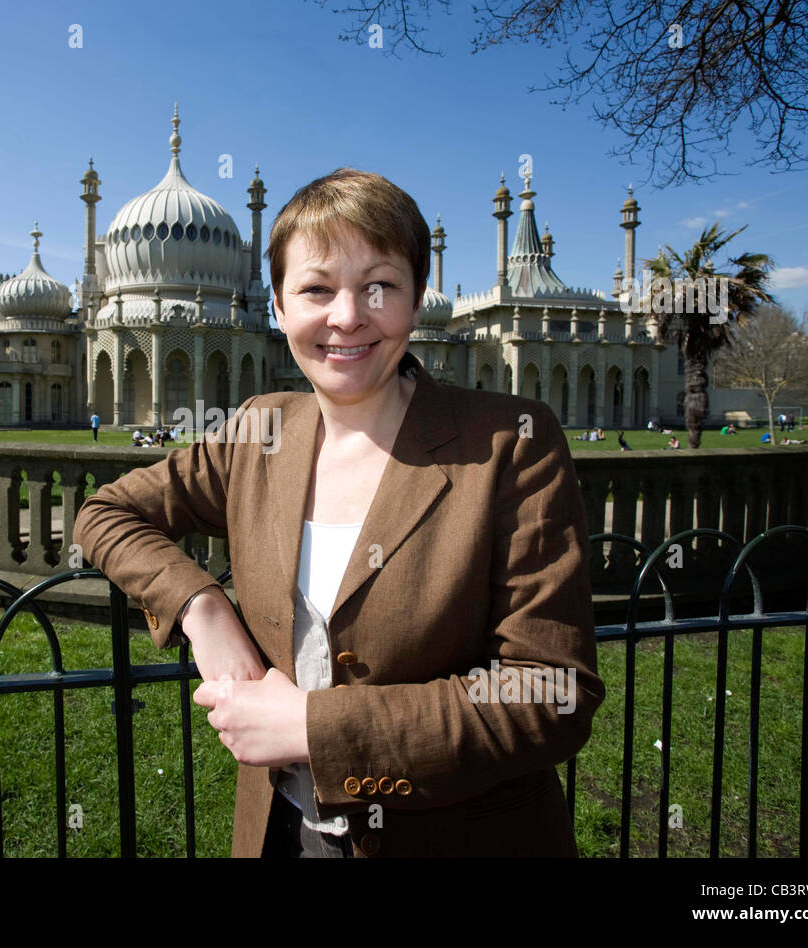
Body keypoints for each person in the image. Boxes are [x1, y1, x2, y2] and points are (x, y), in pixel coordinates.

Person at [74, 167, 604, 858]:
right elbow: (106, 513)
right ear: (278, 306)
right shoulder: (259, 433)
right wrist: (202, 610)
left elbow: (550, 693)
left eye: (379, 285)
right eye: (317, 289)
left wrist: (313, 728)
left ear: (417, 300)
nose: (347, 316)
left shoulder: (509, 444)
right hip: (281, 837)